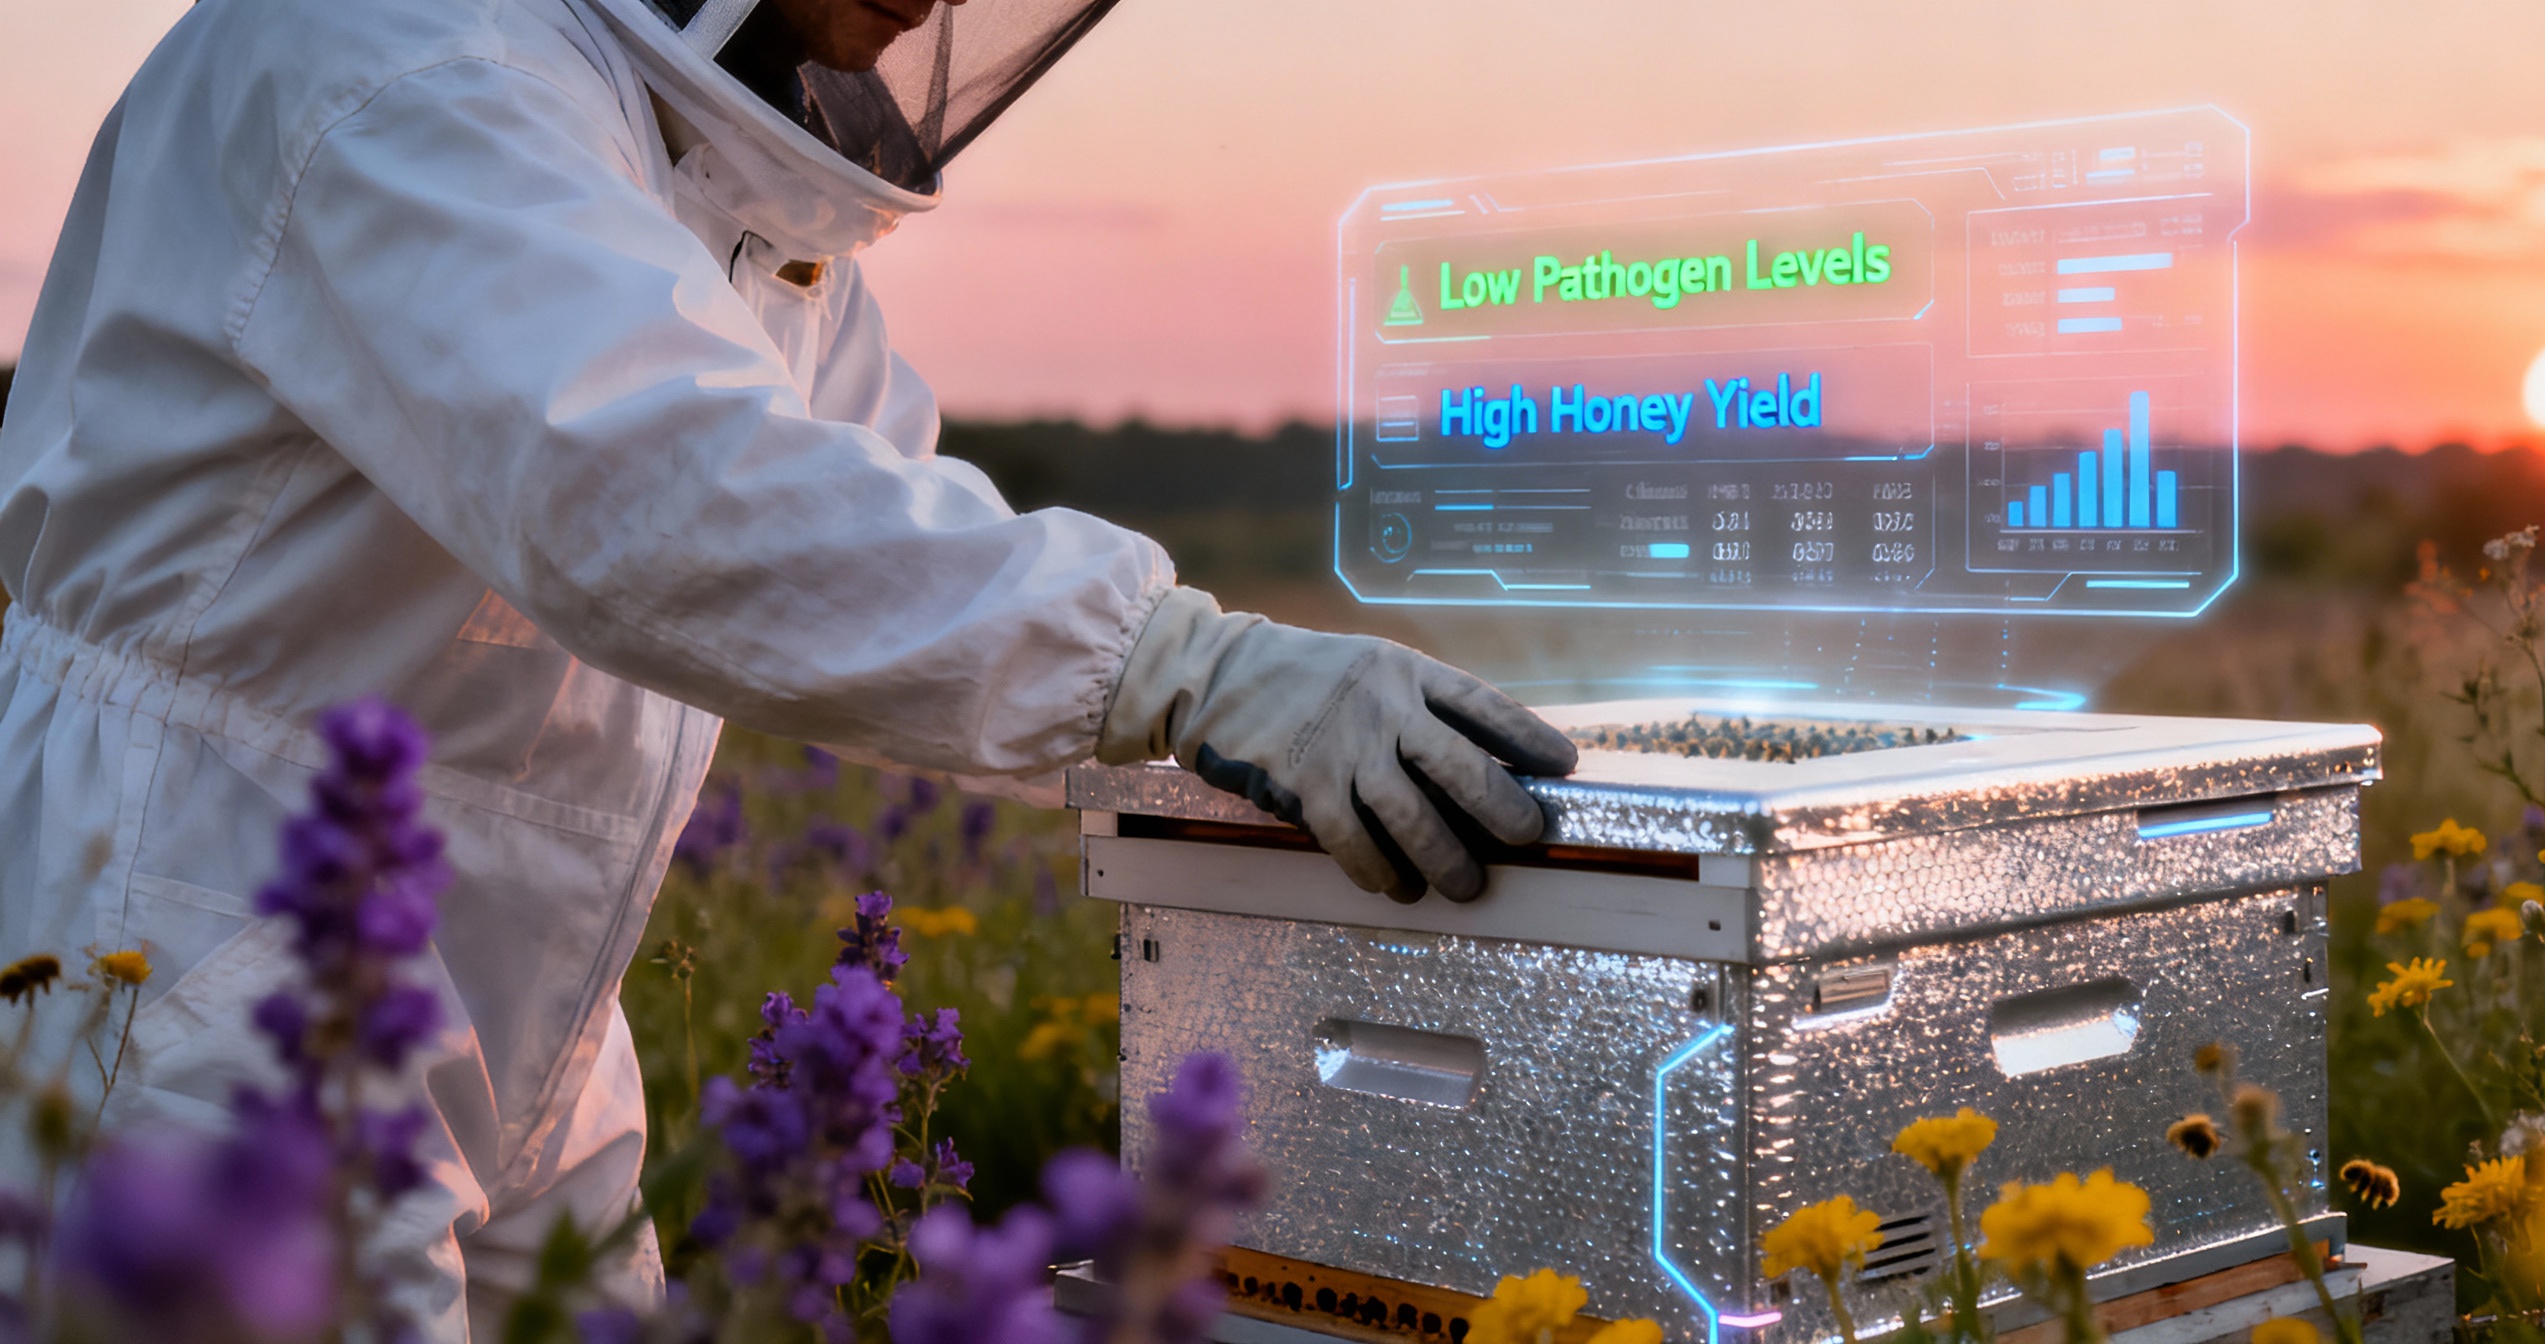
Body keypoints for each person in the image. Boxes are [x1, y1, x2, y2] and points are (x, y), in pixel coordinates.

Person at [0, 0, 1575, 1336]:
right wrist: (1187, 666)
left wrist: (1229, 718)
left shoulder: (719, 183)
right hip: (205, 940)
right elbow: (655, 497)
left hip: (524, 995)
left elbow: (875, 534)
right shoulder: (405, 56)